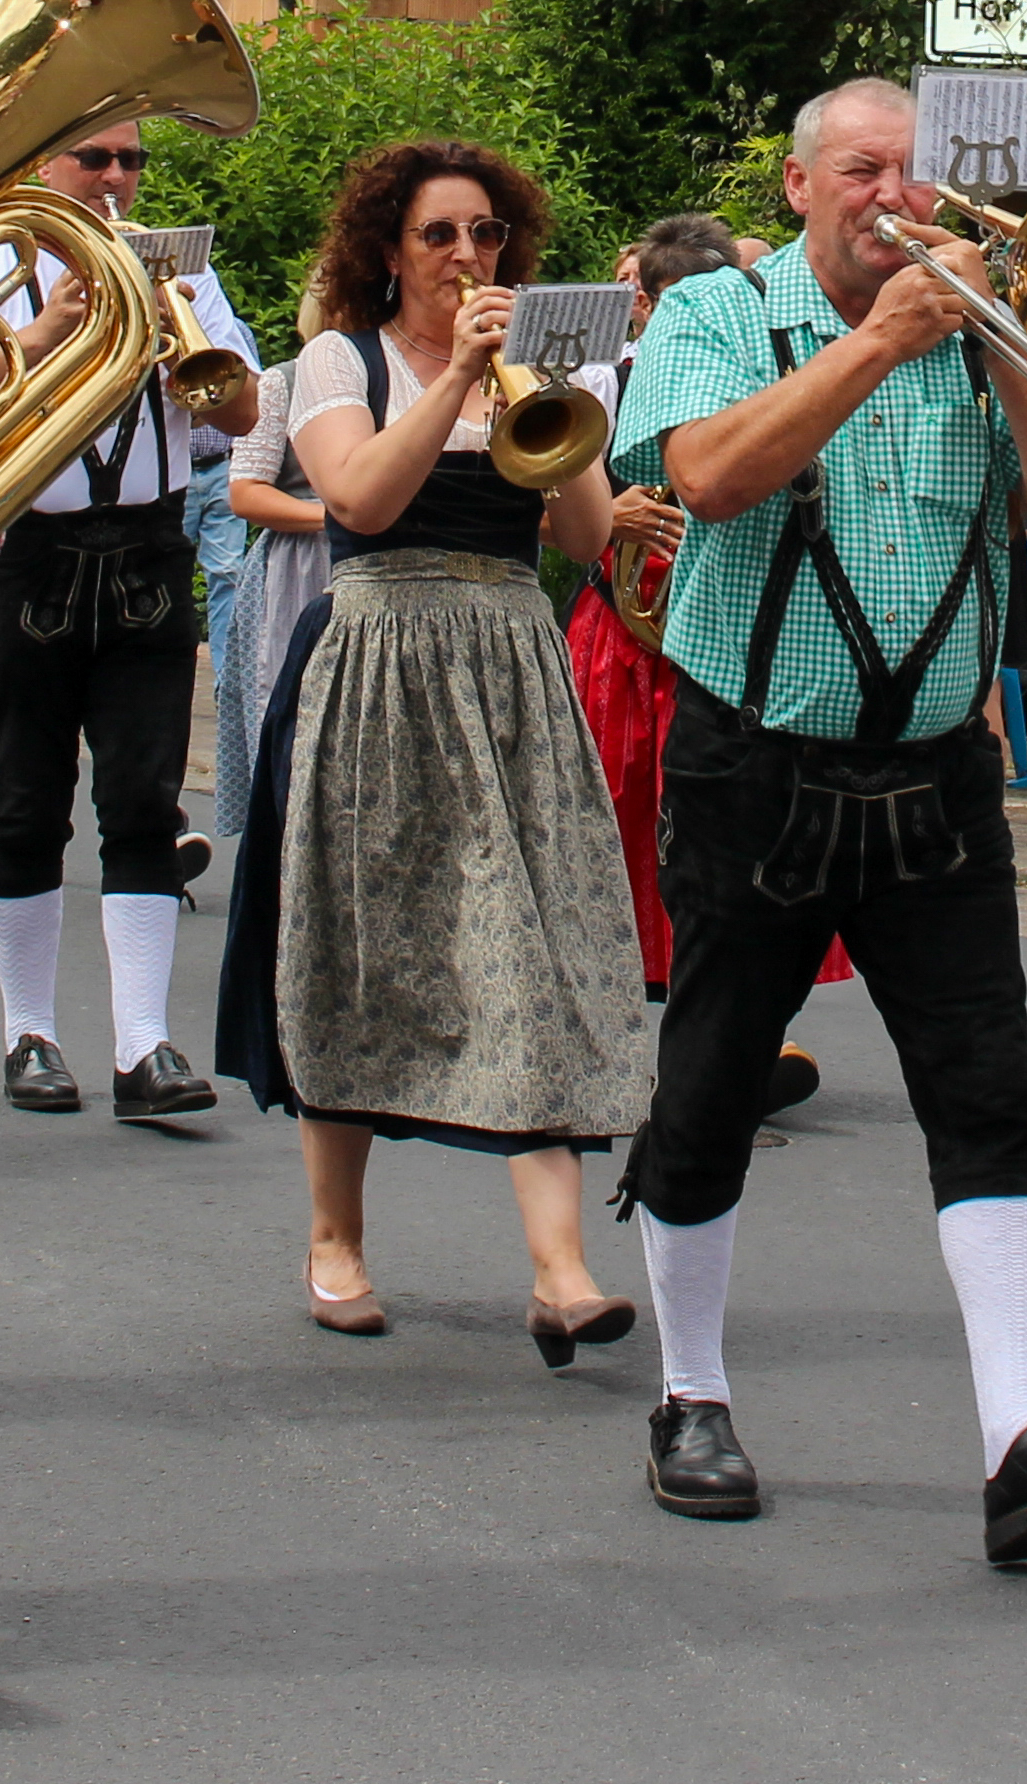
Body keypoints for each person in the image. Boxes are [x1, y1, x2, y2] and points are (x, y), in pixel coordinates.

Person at [606, 79, 1027, 1564]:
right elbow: (704, 478)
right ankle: (692, 1391)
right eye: (864, 172)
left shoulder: (978, 327)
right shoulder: (720, 314)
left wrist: (1007, 347)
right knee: (713, 1080)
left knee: (986, 1092)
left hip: (934, 773)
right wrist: (876, 345)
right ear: (797, 186)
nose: (896, 198)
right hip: (756, 760)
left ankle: (1014, 1439)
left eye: (918, 174)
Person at [222, 142, 642, 1348]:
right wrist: (458, 380)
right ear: (388, 252)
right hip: (377, 662)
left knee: (533, 941)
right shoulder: (336, 361)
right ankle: (335, 1236)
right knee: (359, 948)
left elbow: (587, 533)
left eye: (488, 236)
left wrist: (557, 413)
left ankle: (562, 1272)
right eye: (440, 236)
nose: (468, 257)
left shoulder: (529, 371)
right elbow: (357, 502)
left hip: (509, 665)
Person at [0, 122, 259, 1127]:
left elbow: (242, 413)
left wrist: (185, 340)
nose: (117, 179)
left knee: (145, 801)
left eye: (130, 161)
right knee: (27, 802)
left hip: (147, 552)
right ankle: (29, 1032)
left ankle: (141, 1042)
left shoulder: (180, 269)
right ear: (44, 165)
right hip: (30, 558)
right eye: (96, 159)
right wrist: (42, 334)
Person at [567, 218, 742, 998]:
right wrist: (612, 509)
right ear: (641, 303)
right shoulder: (601, 380)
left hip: (715, 627)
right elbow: (538, 505)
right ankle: (602, 987)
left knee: (719, 823)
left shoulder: (755, 372)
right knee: (610, 809)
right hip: (621, 629)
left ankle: (725, 1004)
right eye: (677, 302)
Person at [214, 359, 332, 853]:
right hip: (301, 570)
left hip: (386, 562)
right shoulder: (287, 380)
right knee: (293, 733)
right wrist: (336, 514)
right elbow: (245, 494)